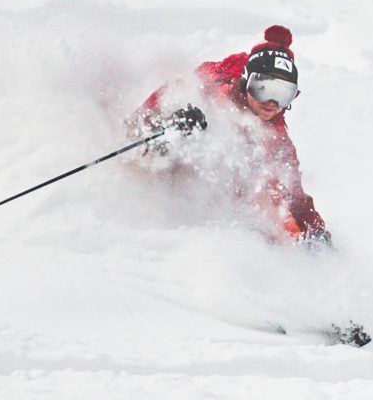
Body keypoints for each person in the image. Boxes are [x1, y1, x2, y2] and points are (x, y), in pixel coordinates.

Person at [131, 25, 331, 245]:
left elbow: (295, 197)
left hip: (214, 204)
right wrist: (167, 124)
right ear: (247, 82)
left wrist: (315, 232)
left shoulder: (276, 139)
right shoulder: (206, 87)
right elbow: (137, 123)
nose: (272, 103)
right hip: (160, 184)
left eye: (284, 94)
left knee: (267, 201)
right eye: (264, 88)